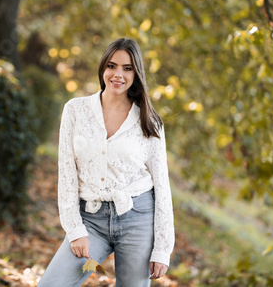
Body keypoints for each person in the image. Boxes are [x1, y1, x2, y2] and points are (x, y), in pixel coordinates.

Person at [38, 38, 175, 287]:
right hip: (90, 220)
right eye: (112, 66)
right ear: (103, 68)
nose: (118, 74)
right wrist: (75, 230)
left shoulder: (150, 121)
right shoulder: (75, 110)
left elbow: (162, 186)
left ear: (136, 73)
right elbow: (67, 174)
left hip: (138, 219)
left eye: (127, 68)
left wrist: (162, 248)